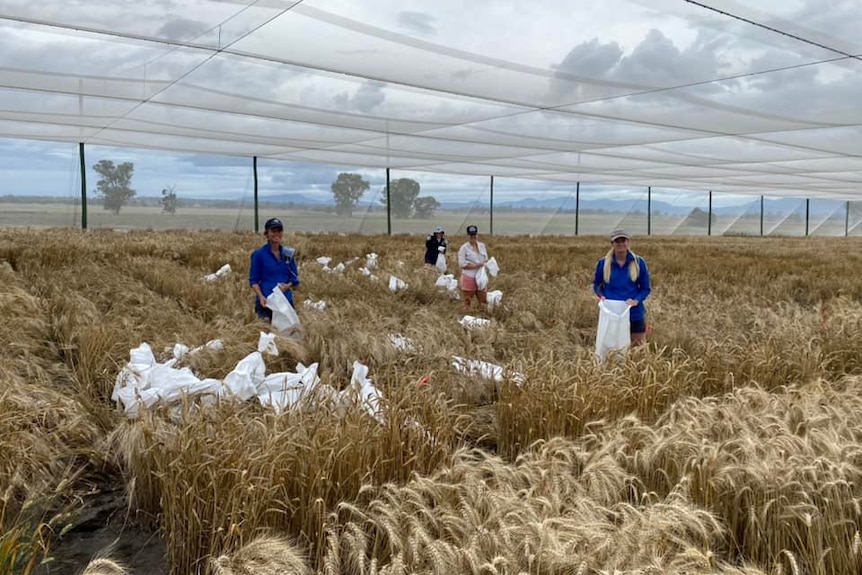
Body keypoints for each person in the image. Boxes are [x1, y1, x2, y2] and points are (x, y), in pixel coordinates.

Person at [593, 229, 651, 346]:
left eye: (623, 240)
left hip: (634, 313)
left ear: (628, 242)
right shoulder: (603, 263)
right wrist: (601, 296)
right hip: (612, 314)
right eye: (617, 241)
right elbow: (597, 284)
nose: (620, 244)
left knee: (638, 347)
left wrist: (636, 300)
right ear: (612, 244)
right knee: (612, 348)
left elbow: (645, 288)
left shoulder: (639, 263)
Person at [249, 217, 300, 322]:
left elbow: (294, 278)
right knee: (267, 335)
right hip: (266, 303)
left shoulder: (288, 254)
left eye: (279, 230)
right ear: (266, 234)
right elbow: (254, 281)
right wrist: (261, 296)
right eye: (273, 231)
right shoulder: (259, 255)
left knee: (289, 335)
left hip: (285, 302)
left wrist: (287, 286)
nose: (277, 234)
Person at [458, 224, 489, 312]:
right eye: (471, 235)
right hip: (469, 277)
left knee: (483, 301)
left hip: (481, 277)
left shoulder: (482, 246)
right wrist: (476, 265)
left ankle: (483, 319)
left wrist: (485, 264)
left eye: (474, 235)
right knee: (468, 302)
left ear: (477, 235)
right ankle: (466, 318)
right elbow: (462, 264)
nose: (473, 237)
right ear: (467, 236)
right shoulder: (464, 248)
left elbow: (485, 259)